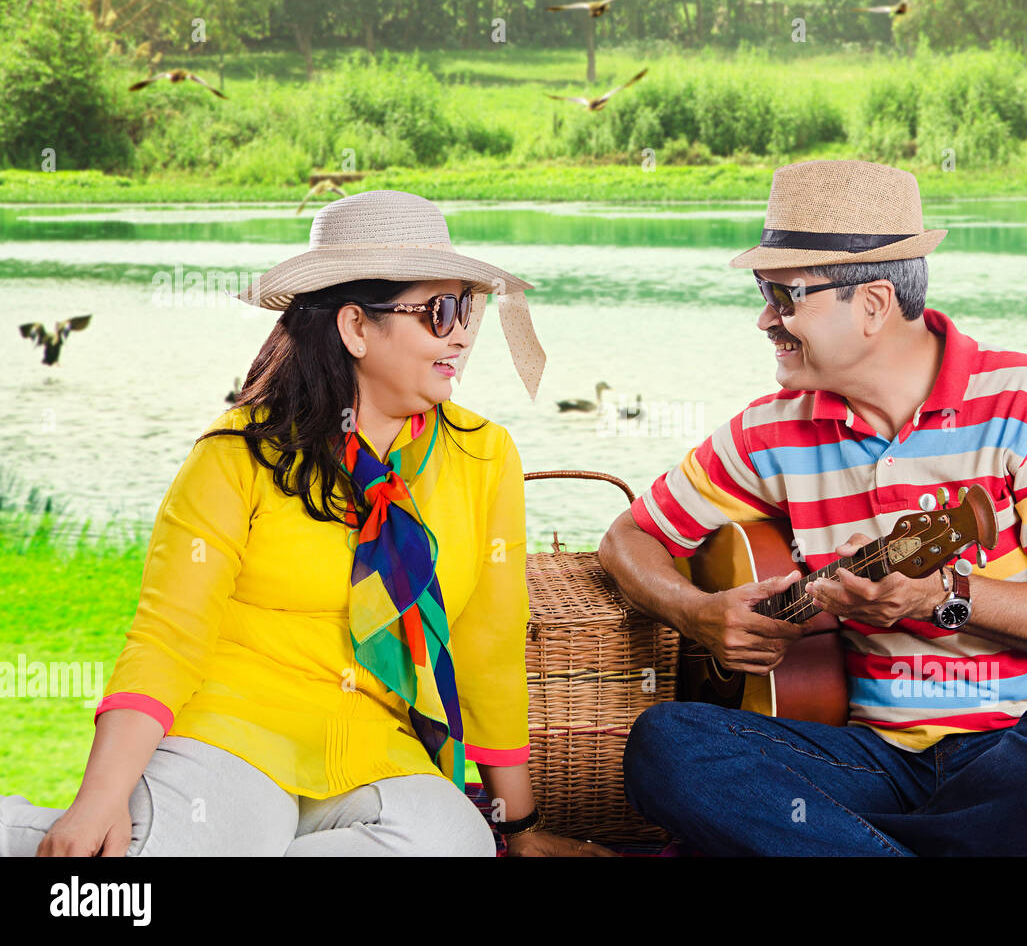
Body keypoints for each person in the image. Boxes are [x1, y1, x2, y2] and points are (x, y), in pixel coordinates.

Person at [0, 190, 613, 857]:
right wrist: (99, 799)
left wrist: (517, 831)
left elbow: (487, 648)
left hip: (376, 748)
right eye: (440, 311)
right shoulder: (238, 451)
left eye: (468, 307)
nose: (463, 333)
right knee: (180, 842)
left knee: (455, 843)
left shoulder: (482, 455)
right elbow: (168, 635)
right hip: (234, 730)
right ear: (355, 328)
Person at [598, 160, 1027, 856]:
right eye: (763, 292)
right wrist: (697, 614)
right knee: (669, 746)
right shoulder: (767, 433)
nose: (764, 318)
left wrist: (946, 595)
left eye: (783, 294)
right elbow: (628, 539)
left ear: (871, 304)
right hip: (875, 764)